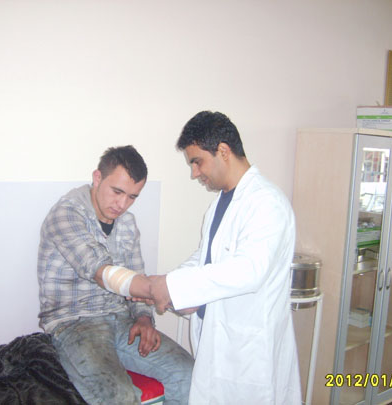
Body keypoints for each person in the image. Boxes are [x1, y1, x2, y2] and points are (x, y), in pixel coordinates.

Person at [146, 112, 301, 404]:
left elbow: (249, 270)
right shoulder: (221, 202)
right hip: (218, 344)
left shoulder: (266, 203)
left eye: (197, 162)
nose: (194, 173)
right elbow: (206, 257)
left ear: (223, 151)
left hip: (249, 353)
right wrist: (171, 284)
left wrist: (174, 286)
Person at [37, 145, 194, 405]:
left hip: (121, 320)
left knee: (187, 372)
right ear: (97, 178)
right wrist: (157, 290)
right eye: (117, 192)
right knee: (119, 396)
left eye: (132, 197)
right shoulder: (66, 214)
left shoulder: (127, 223)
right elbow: (101, 272)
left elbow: (136, 274)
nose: (122, 204)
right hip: (75, 323)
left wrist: (144, 318)